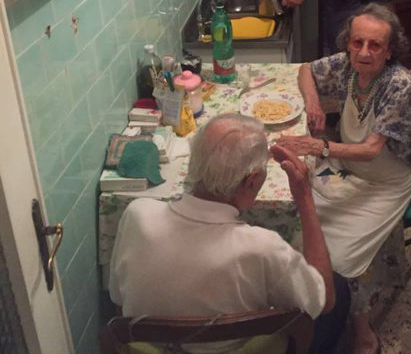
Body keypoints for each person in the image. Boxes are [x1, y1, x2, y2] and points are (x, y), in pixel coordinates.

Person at [109, 113, 350, 354]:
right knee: (337, 287)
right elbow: (324, 300)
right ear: (252, 181)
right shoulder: (262, 247)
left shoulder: (137, 214)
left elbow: (118, 299)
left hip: (148, 349)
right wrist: (305, 198)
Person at [274, 3, 411, 354]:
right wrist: (314, 103)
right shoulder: (346, 65)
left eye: (375, 45)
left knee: (341, 257)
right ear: (348, 42)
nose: (364, 52)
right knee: (297, 217)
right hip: (347, 170)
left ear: (390, 50)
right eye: (357, 43)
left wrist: (320, 146)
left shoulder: (399, 84)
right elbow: (306, 69)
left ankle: (362, 331)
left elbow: (370, 149)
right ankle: (307, 307)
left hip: (385, 183)